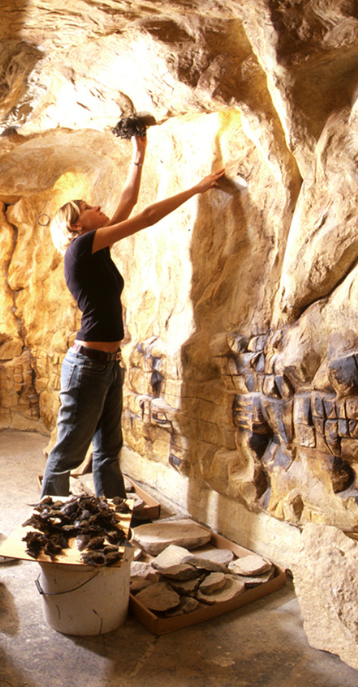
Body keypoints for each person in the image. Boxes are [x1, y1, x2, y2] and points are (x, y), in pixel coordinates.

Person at [39, 126, 225, 498]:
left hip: (107, 364)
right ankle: (49, 526)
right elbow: (146, 216)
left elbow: (127, 201)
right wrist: (197, 188)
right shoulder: (80, 248)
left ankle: (111, 522)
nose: (100, 208)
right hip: (88, 365)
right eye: (91, 208)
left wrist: (138, 154)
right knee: (68, 455)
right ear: (76, 226)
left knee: (108, 451)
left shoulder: (97, 249)